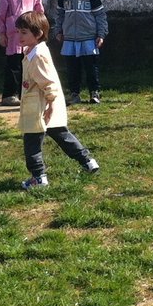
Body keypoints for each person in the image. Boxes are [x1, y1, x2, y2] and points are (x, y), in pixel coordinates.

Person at [15, 10, 100, 189]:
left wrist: (51, 105)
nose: (19, 36)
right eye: (18, 32)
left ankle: (38, 177)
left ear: (38, 34)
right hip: (42, 105)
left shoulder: (37, 55)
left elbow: (49, 82)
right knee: (62, 135)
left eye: (24, 32)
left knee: (32, 144)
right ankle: (88, 162)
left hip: (40, 107)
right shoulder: (32, 51)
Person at [55, 0, 109, 105]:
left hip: (88, 39)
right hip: (70, 39)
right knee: (72, 69)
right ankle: (74, 94)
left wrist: (101, 34)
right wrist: (58, 30)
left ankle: (94, 93)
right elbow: (60, 15)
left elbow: (100, 16)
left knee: (91, 68)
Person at [0, 0, 42, 105]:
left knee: (28, 65)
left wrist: (39, 29)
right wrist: (2, 33)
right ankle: (9, 95)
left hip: (30, 35)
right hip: (13, 36)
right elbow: (1, 14)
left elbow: (38, 10)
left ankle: (26, 93)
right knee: (13, 64)